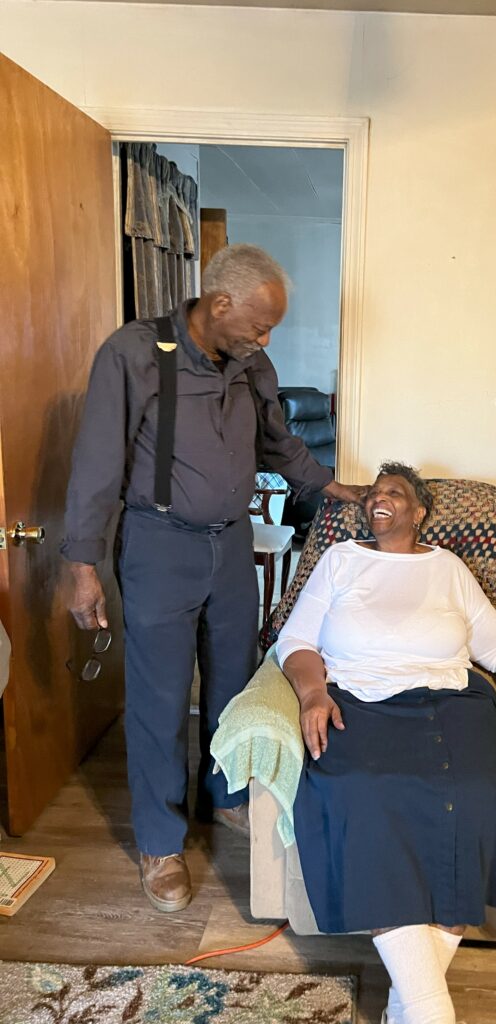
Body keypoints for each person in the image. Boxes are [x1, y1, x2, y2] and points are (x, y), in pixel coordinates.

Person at [62, 244, 362, 913]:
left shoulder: (252, 365)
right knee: (160, 698)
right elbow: (97, 462)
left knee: (234, 681)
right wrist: (82, 566)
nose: (266, 338)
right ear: (219, 303)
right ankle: (161, 842)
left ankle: (224, 798)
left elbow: (280, 442)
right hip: (157, 546)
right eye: (259, 324)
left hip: (230, 545)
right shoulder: (133, 354)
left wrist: (330, 486)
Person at [276, 462, 496, 1024]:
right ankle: (427, 1007)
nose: (377, 499)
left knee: (484, 794)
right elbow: (295, 639)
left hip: (449, 704)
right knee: (361, 793)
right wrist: (314, 693)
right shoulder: (341, 561)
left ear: (419, 512)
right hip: (360, 704)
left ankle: (412, 1003)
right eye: (372, 493)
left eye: (394, 493)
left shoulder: (450, 569)